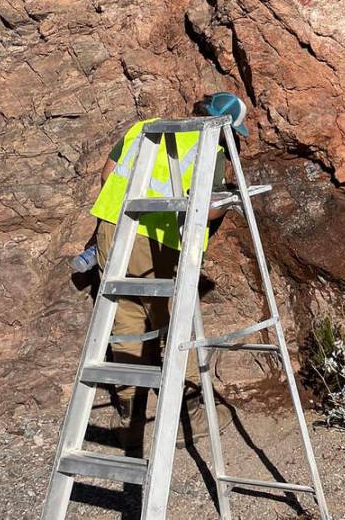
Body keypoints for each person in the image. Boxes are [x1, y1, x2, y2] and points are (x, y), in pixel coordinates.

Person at [90, 91, 249, 442]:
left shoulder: (144, 127)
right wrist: (230, 201)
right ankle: (189, 413)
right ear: (223, 125)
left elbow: (107, 174)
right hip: (157, 240)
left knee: (126, 321)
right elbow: (206, 210)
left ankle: (129, 417)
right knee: (173, 325)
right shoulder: (212, 149)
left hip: (112, 230)